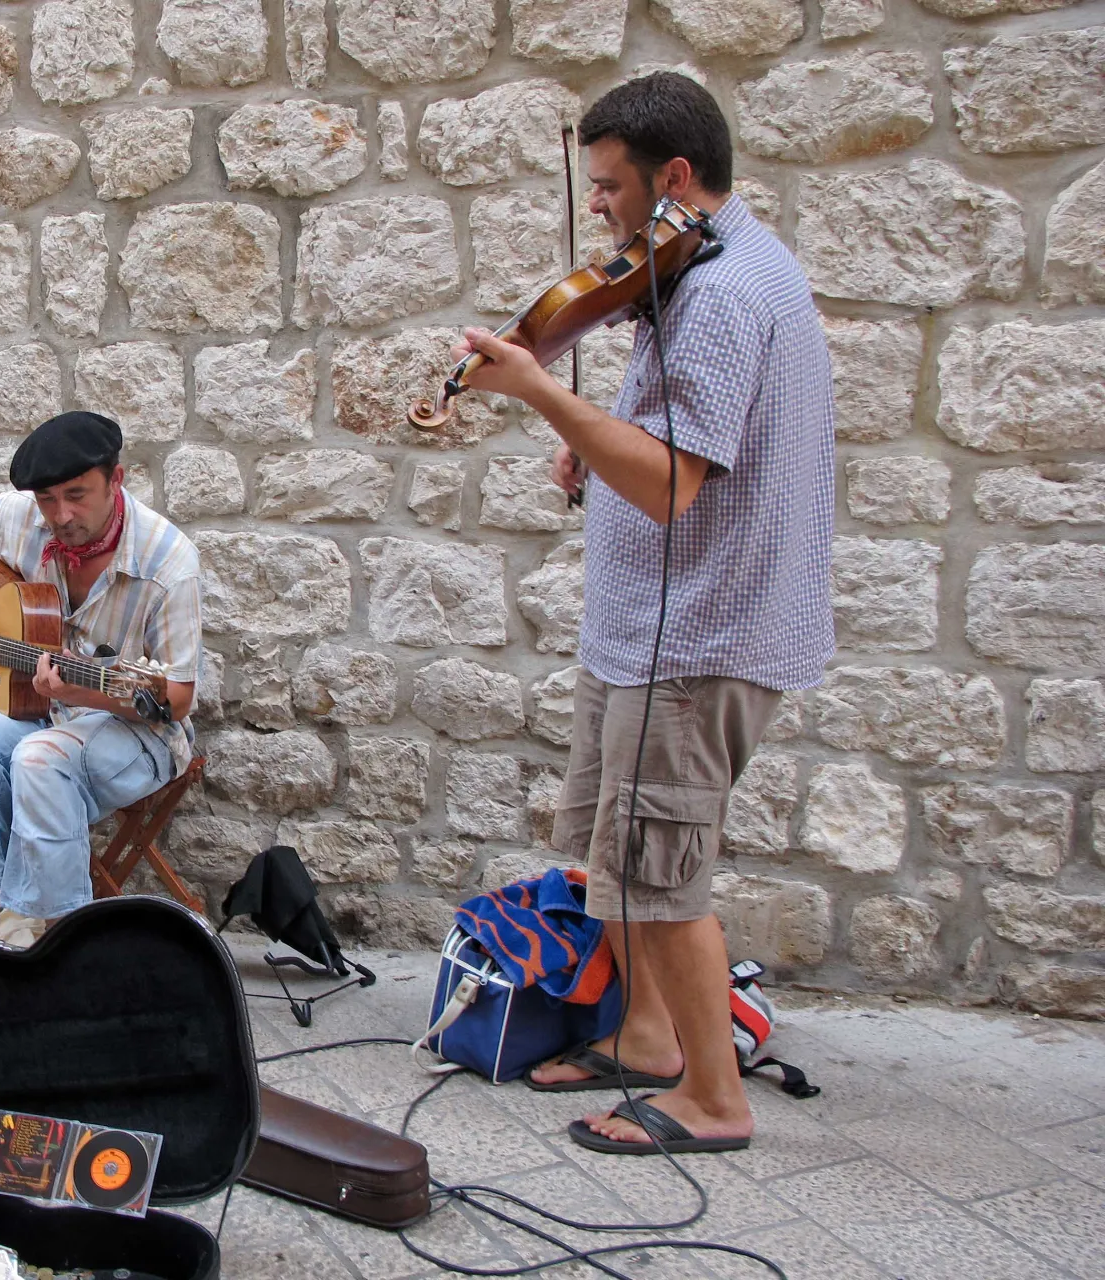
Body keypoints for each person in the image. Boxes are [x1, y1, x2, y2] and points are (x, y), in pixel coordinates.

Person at [451, 73, 834, 1155]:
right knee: (612, 852)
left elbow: (672, 483)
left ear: (674, 176)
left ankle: (714, 1097)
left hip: (700, 628)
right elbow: (681, 439)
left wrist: (542, 392)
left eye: (612, 187)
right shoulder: (700, 264)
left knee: (661, 868)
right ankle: (652, 1037)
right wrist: (593, 437)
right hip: (649, 624)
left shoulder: (719, 293)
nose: (604, 211)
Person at [0, 412, 203, 947]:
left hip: (141, 731)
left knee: (39, 761)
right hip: (43, 709)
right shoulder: (19, 518)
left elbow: (178, 698)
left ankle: (61, 961)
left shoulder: (168, 564)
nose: (62, 514)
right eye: (48, 500)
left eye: (77, 495)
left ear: (116, 480)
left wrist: (86, 691)